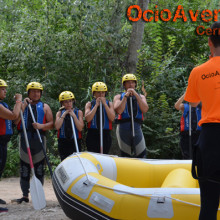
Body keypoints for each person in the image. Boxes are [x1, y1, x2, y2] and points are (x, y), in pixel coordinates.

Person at [184, 22, 220, 220]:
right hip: (211, 137)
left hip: (211, 139)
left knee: (208, 205)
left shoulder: (198, 72)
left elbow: (194, 101)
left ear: (209, 42)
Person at [15, 82, 53, 204]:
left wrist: (41, 125)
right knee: (24, 168)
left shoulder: (45, 107)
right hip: (25, 139)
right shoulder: (22, 105)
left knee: (39, 168)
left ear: (41, 93)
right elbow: (15, 120)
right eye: (33, 91)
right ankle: (25, 195)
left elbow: (52, 124)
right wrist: (24, 105)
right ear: (28, 93)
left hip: (39, 139)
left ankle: (38, 193)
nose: (35, 94)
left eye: (38, 91)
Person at [113, 74, 149, 158]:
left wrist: (136, 95)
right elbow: (119, 110)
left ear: (135, 84)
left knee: (142, 154)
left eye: (133, 82)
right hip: (123, 128)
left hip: (137, 127)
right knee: (125, 156)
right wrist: (125, 97)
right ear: (124, 85)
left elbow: (145, 109)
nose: (130, 84)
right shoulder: (118, 97)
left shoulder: (141, 96)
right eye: (128, 83)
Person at [0, 79, 22, 212]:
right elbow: (13, 115)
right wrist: (19, 101)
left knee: (0, 169)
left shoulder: (4, 104)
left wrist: (20, 107)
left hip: (3, 142)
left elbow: (14, 120)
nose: (5, 91)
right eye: (3, 89)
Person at [85, 82, 115, 154]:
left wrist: (104, 104)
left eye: (103, 93)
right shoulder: (89, 104)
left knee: (104, 155)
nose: (101, 95)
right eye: (98, 93)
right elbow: (87, 118)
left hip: (105, 134)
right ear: (94, 94)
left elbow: (112, 118)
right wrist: (96, 105)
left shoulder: (109, 103)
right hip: (92, 134)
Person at [55, 91, 84, 161]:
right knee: (64, 161)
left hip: (75, 141)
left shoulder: (78, 112)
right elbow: (57, 127)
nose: (68, 104)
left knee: (76, 161)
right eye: (65, 102)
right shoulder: (59, 113)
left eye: (70, 101)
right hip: (63, 142)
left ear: (73, 102)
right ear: (62, 103)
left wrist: (74, 116)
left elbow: (80, 128)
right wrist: (64, 115)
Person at [175, 92, 201, 159]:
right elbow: (177, 106)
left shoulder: (202, 107)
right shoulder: (184, 106)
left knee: (199, 155)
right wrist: (185, 93)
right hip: (186, 135)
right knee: (187, 155)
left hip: (199, 134)